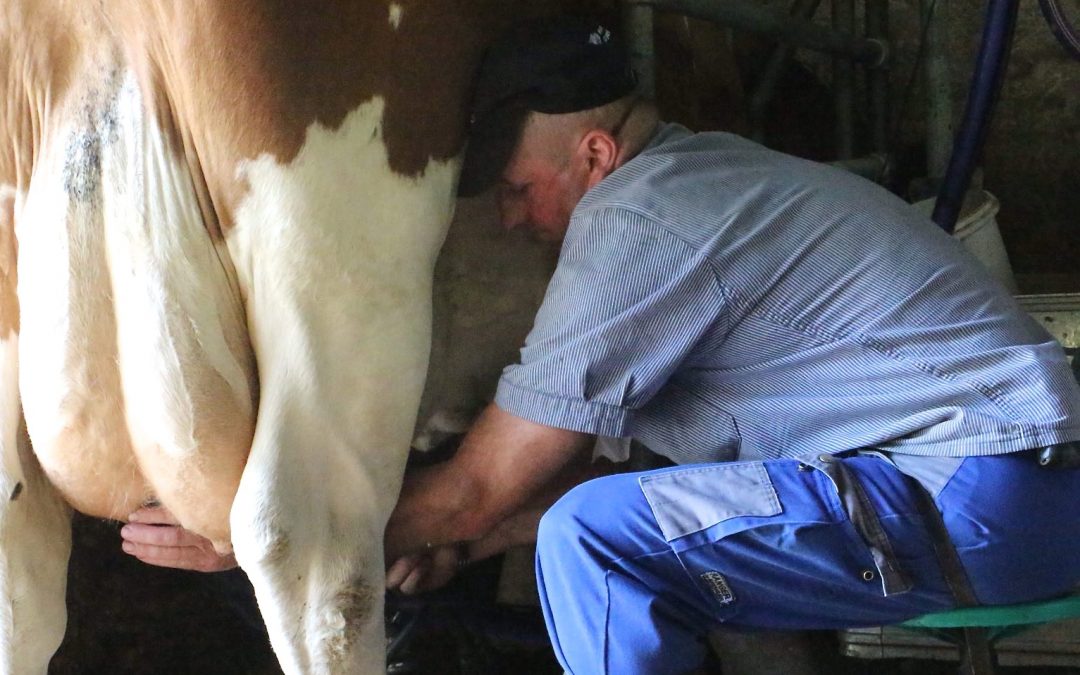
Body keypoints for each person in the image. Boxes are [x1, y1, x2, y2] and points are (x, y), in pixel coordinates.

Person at [123, 16, 1080, 675]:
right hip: (1002, 489)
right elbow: (637, 486)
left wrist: (259, 543)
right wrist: (475, 542)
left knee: (594, 546)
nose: (511, 215)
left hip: (982, 487)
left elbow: (477, 485)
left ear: (594, 156)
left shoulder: (640, 220)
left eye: (520, 187)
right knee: (628, 532)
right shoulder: (708, 181)